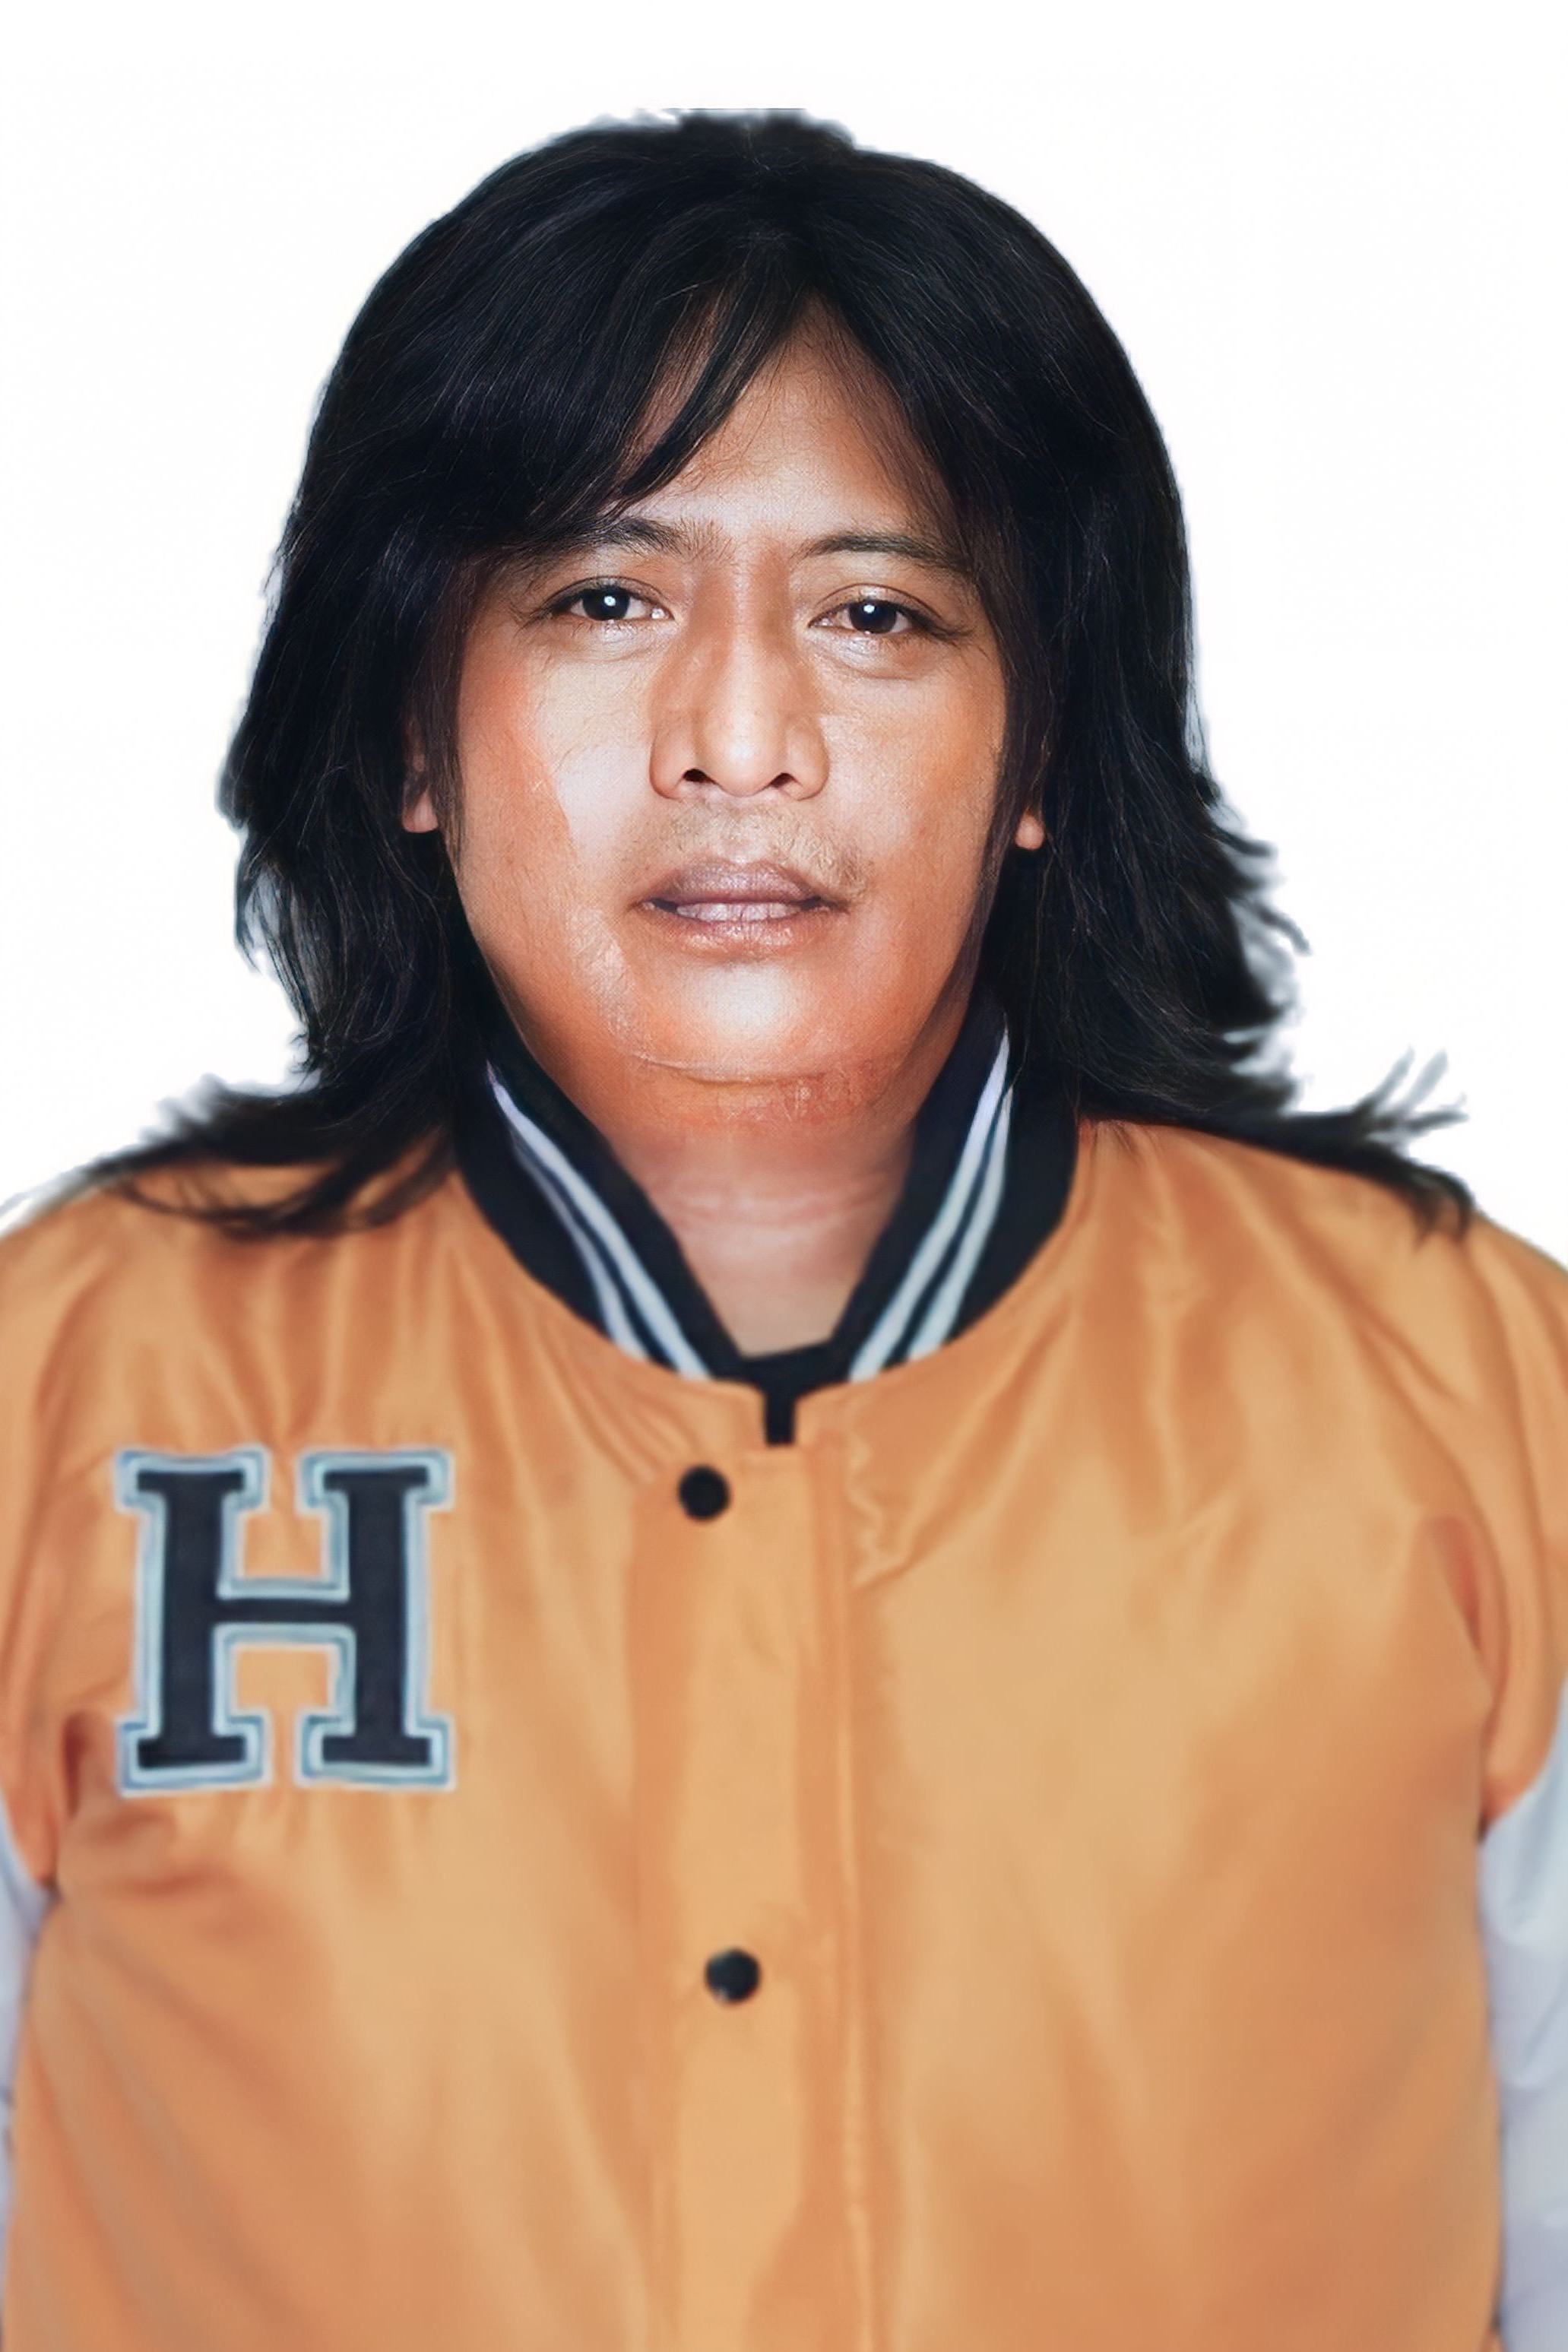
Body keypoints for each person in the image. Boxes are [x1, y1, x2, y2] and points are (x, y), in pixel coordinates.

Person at [0, 107, 1562, 2352]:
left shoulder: (1472, 1395)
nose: (740, 738)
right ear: (413, 729)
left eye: (876, 613)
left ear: (1043, 750)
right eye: (605, 600)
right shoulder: (70, 1385)